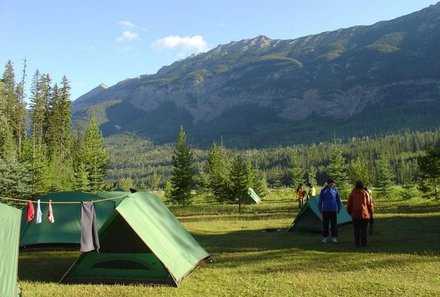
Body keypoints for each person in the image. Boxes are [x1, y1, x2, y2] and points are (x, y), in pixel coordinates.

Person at [346, 181, 374, 248]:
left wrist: (350, 213)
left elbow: (349, 205)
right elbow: (370, 204)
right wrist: (371, 213)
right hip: (365, 215)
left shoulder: (352, 193)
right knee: (364, 230)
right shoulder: (366, 193)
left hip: (355, 215)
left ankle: (357, 244)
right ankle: (364, 244)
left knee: (356, 230)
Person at [318, 178, 342, 243]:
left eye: (333, 183)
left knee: (334, 224)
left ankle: (334, 238)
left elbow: (338, 200)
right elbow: (320, 200)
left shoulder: (335, 190)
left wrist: (339, 208)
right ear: (328, 183)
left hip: (333, 210)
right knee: (325, 224)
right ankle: (325, 238)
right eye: (332, 183)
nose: (333, 184)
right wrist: (320, 208)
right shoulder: (323, 190)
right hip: (325, 210)